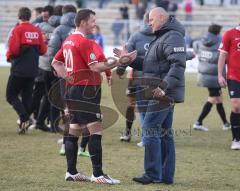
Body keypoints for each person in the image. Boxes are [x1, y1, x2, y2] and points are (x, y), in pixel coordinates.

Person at [51, 9, 136, 183]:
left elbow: (56, 62)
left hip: (73, 89)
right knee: (95, 128)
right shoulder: (85, 42)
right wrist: (120, 61)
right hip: (86, 91)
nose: (94, 24)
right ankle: (98, 174)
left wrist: (69, 77)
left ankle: (72, 172)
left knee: (74, 129)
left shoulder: (68, 41)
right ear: (83, 22)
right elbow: (96, 67)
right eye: (92, 21)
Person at [116, 7, 186, 184]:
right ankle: (165, 176)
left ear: (162, 17)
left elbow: (177, 65)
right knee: (163, 133)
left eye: (152, 19)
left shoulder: (172, 36)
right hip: (159, 91)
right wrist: (130, 60)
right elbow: (151, 66)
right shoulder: (163, 36)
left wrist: (164, 86)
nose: (149, 23)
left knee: (149, 129)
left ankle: (153, 174)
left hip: (162, 93)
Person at [6, 7, 47, 134]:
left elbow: (13, 50)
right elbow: (43, 50)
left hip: (19, 69)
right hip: (33, 70)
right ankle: (23, 128)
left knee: (11, 95)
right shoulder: (37, 30)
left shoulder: (17, 30)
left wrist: (8, 57)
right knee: (26, 98)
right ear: (30, 17)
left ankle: (24, 117)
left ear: (19, 17)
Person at [118, 12, 154, 147]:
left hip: (136, 77)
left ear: (144, 21)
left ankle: (129, 133)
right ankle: (149, 136)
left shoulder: (136, 36)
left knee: (132, 104)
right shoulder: (162, 35)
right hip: (156, 77)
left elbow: (126, 56)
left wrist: (121, 69)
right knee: (152, 106)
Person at [193, 24, 230, 131]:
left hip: (204, 76)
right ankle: (198, 122)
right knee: (213, 99)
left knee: (218, 99)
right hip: (214, 77)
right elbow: (223, 57)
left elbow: (195, 46)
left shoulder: (202, 40)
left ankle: (226, 124)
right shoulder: (220, 42)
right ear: (218, 32)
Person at [218, 25, 240, 150]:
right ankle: (236, 139)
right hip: (234, 76)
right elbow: (222, 56)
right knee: (236, 106)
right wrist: (220, 75)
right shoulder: (230, 34)